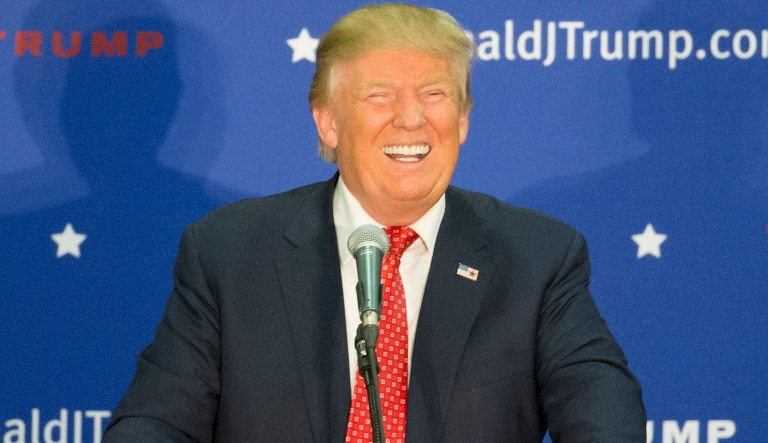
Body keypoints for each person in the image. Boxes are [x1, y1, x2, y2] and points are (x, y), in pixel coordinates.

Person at [103, 3, 645, 442]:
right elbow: (157, 419)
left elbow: (601, 408)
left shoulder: (536, 255)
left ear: (462, 121)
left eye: (434, 95)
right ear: (329, 122)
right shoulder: (229, 251)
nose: (411, 119)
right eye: (379, 96)